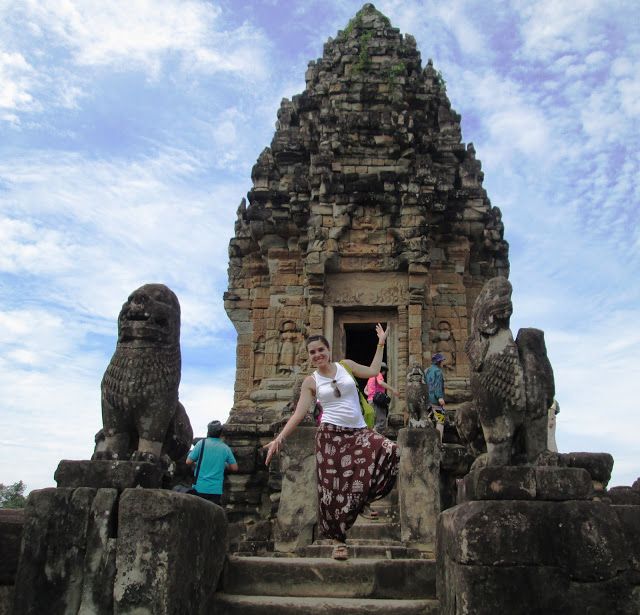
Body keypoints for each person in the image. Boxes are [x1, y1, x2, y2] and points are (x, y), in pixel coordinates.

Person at [263, 324, 399, 561]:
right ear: (309, 356)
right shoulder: (310, 382)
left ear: (329, 350)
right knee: (332, 491)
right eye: (312, 352)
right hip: (329, 436)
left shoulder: (346, 366)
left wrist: (381, 342)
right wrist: (279, 438)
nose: (318, 355)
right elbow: (298, 413)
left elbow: (375, 369)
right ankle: (338, 542)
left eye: (321, 350)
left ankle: (363, 499)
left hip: (358, 431)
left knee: (392, 451)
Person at [186, 420, 238, 505]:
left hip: (199, 487)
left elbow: (188, 462)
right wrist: (224, 464)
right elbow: (235, 468)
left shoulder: (201, 444)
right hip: (215, 490)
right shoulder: (225, 448)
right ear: (220, 433)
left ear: (208, 432)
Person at [365, 362, 399, 432]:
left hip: (370, 400)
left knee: (374, 421)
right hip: (377, 401)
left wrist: (371, 395)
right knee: (381, 422)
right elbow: (380, 382)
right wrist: (393, 389)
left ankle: (372, 436)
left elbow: (365, 390)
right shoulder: (378, 374)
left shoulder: (370, 377)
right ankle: (375, 438)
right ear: (383, 370)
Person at [424, 353, 446, 442]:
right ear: (439, 362)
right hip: (435, 400)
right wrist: (440, 398)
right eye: (442, 361)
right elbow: (437, 385)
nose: (442, 362)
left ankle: (428, 440)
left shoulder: (426, 370)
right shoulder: (438, 371)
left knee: (428, 419)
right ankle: (438, 441)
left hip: (426, 400)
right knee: (440, 420)